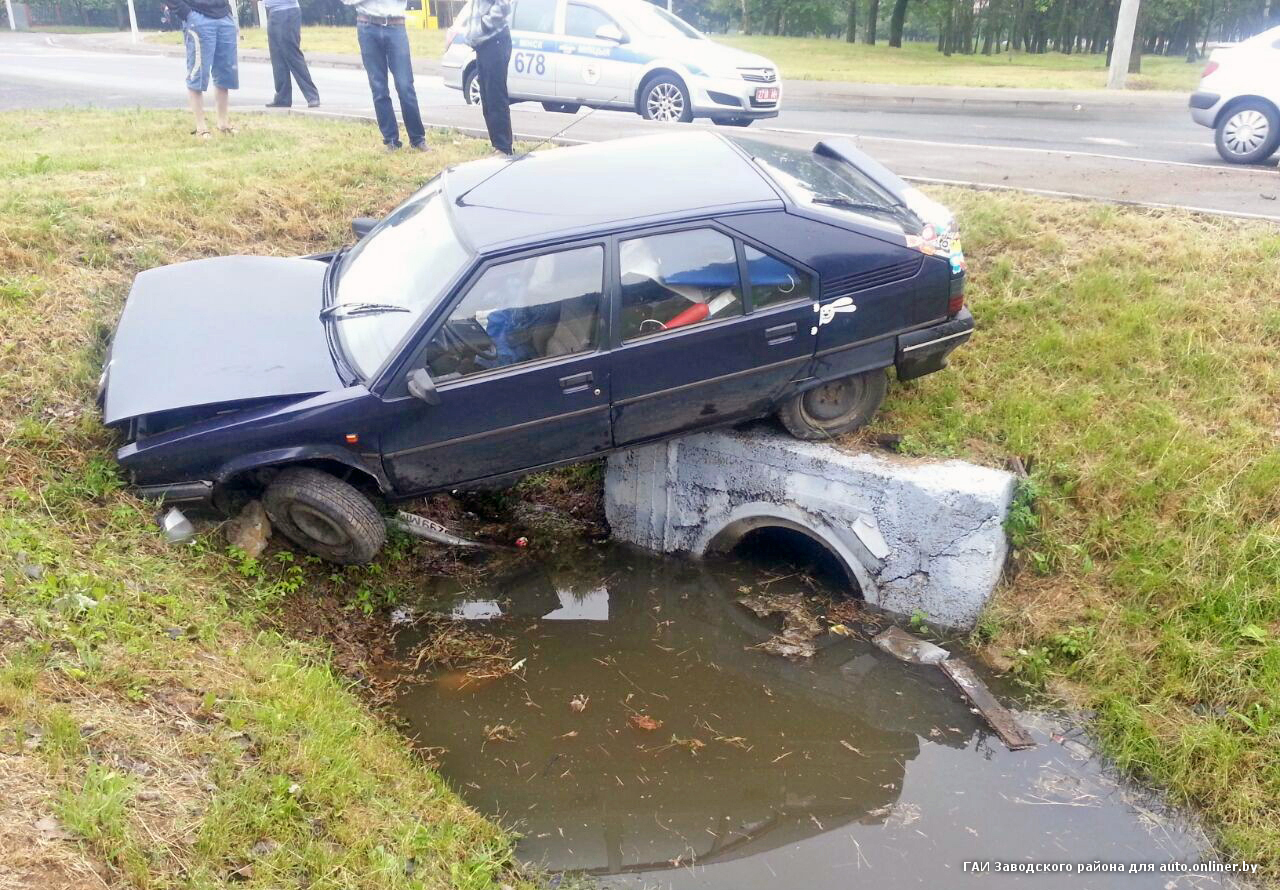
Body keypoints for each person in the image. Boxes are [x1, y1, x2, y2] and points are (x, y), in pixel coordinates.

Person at [341, 0, 428, 151]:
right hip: (367, 25)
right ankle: (391, 140)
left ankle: (417, 139)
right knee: (378, 87)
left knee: (405, 85)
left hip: (396, 26)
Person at [166, 0, 239, 138]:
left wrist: (227, 10)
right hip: (197, 16)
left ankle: (223, 124)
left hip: (224, 16)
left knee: (225, 73)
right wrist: (186, 13)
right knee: (197, 73)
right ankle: (201, 128)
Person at [465, 0, 513, 155]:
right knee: (486, 98)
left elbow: (504, 5)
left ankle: (503, 148)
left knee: (495, 97)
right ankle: (498, 146)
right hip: (483, 44)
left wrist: (483, 27)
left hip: (495, 40)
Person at [264, 0, 320, 109]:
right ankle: (282, 98)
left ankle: (312, 96)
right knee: (277, 57)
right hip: (273, 12)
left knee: (292, 55)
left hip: (287, 12)